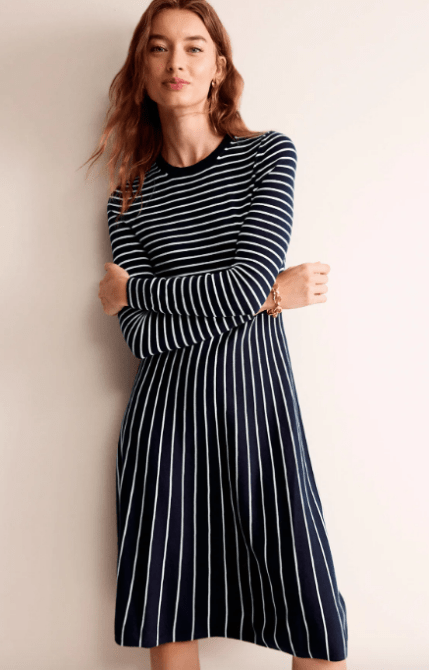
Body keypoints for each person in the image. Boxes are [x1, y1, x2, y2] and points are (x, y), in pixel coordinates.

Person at [90, 1, 348, 668]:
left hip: (258, 414)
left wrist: (134, 291)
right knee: (171, 613)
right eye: (157, 47)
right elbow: (141, 340)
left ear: (218, 67)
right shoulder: (127, 198)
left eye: (193, 47)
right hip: (165, 429)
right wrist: (272, 296)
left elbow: (234, 286)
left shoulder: (267, 156)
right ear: (141, 69)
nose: (175, 61)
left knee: (313, 617)